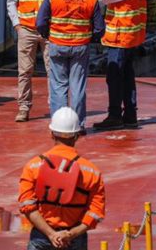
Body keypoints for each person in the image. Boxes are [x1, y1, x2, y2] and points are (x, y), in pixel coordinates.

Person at [19, 107, 106, 250]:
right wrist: (71, 234)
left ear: (51, 134)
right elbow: (96, 212)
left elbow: (27, 206)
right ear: (77, 136)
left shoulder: (32, 166)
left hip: (42, 236)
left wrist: (51, 234)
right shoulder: (92, 172)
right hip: (75, 239)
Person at [37, 0, 104, 133]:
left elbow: (40, 22)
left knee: (58, 87)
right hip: (80, 47)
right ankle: (78, 125)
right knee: (77, 87)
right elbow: (99, 29)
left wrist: (48, 35)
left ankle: (59, 125)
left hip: (57, 45)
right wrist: (90, 39)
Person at [93, 0, 146, 131]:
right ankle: (130, 116)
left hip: (120, 39)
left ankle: (115, 115)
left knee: (115, 77)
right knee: (126, 77)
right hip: (127, 38)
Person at [7, 0, 59, 122]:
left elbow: (60, 1)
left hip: (49, 30)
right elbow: (11, 2)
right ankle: (23, 107)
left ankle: (55, 106)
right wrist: (17, 25)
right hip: (26, 30)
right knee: (25, 71)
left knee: (53, 70)